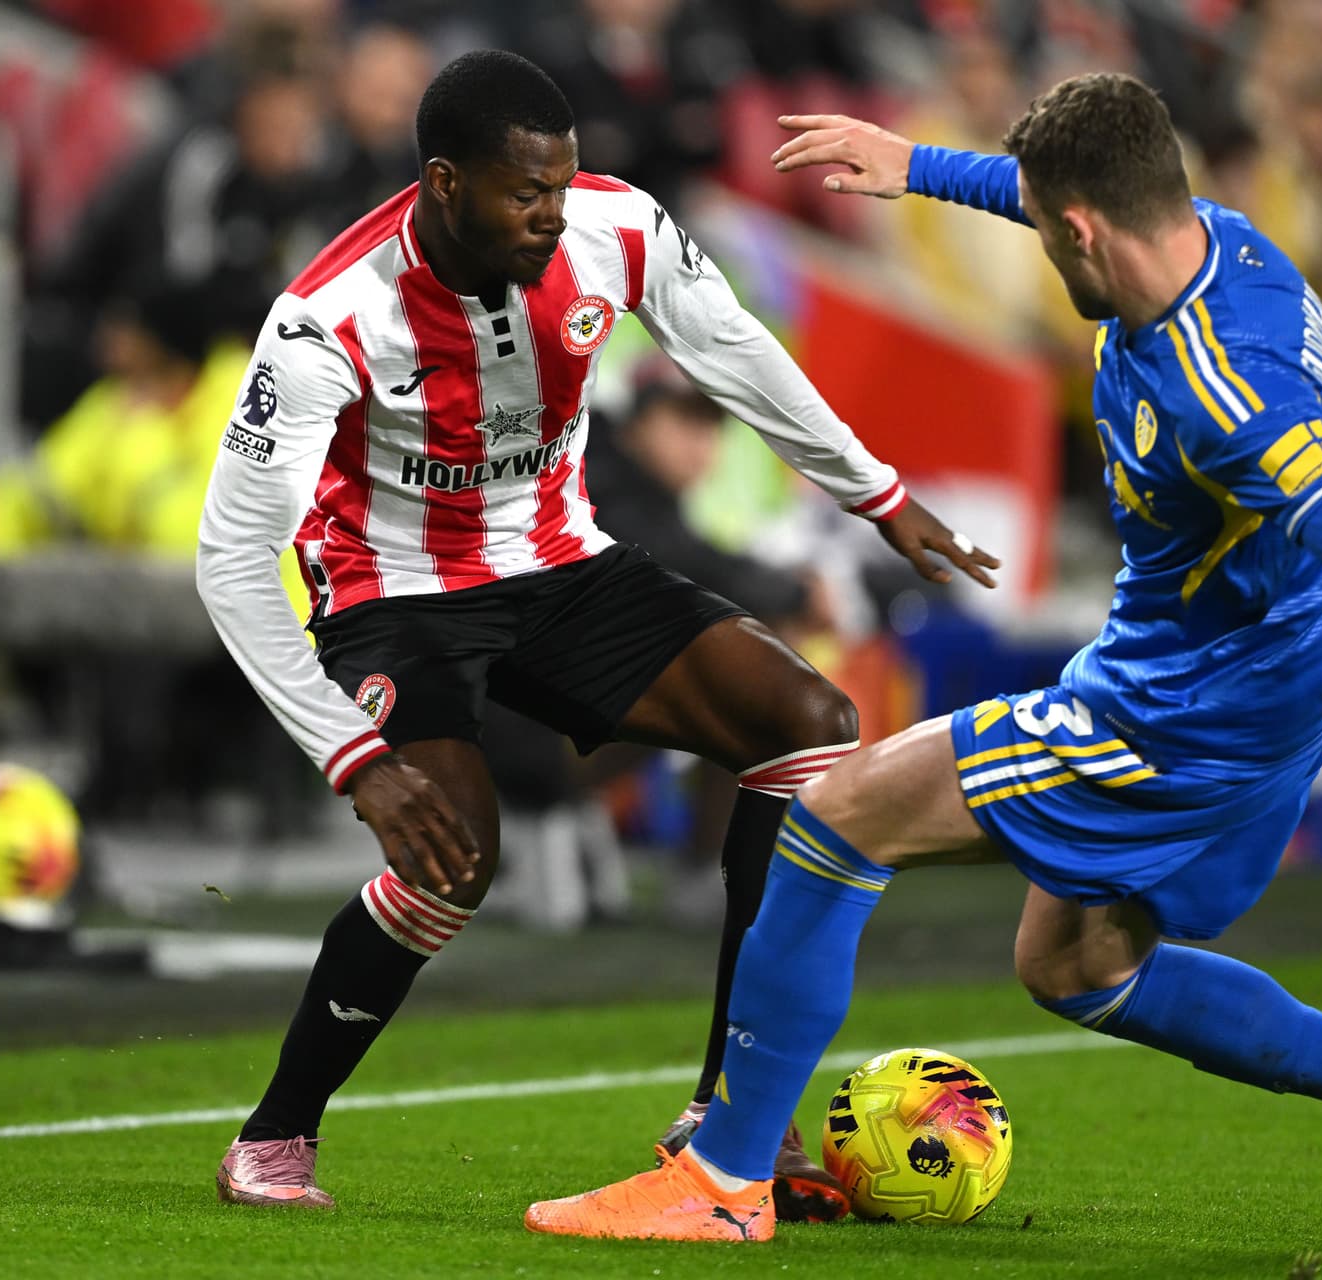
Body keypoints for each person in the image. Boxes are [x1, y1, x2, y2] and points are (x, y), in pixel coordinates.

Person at [523, 74, 1322, 1250]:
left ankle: (724, 1173)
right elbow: (1057, 192)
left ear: (1083, 231)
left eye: (1052, 233)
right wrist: (919, 168)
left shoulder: (1226, 387)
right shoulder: (1218, 239)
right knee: (1074, 965)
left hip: (1178, 708)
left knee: (835, 814)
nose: (1048, 254)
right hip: (1254, 685)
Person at [197, 50, 997, 1219]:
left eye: (564, 187)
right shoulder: (328, 318)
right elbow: (229, 556)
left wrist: (875, 493)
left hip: (563, 562)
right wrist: (352, 755)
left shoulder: (614, 228)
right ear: (444, 182)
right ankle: (274, 1136)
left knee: (810, 727)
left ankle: (728, 1116)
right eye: (528, 194)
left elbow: (730, 349)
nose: (554, 215)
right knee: (452, 859)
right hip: (398, 593)